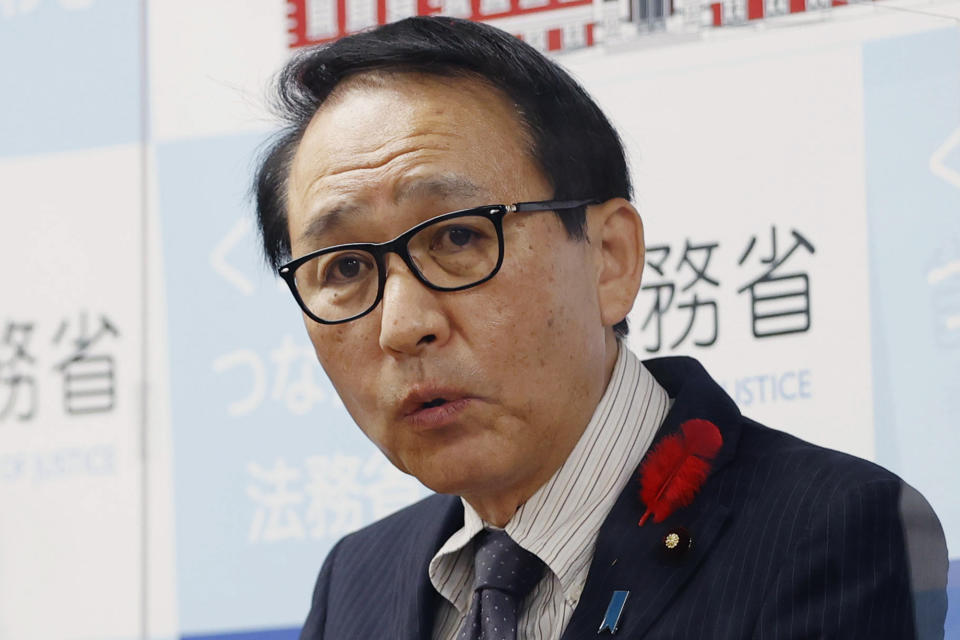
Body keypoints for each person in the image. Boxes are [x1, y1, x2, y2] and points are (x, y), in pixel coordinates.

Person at [253, 16, 948, 639]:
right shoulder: (357, 580)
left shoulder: (829, 531)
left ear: (610, 258)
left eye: (459, 238)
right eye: (344, 269)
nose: (402, 326)